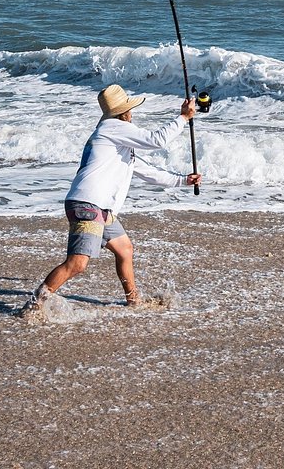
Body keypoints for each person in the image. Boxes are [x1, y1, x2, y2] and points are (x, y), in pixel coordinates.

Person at [18, 84, 200, 319]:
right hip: (89, 206)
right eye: (130, 109)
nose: (132, 114)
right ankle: (33, 306)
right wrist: (183, 117)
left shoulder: (115, 138)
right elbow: (157, 140)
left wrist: (183, 180)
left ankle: (133, 300)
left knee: (124, 249)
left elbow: (146, 171)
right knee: (77, 264)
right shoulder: (113, 127)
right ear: (124, 112)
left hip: (99, 207)